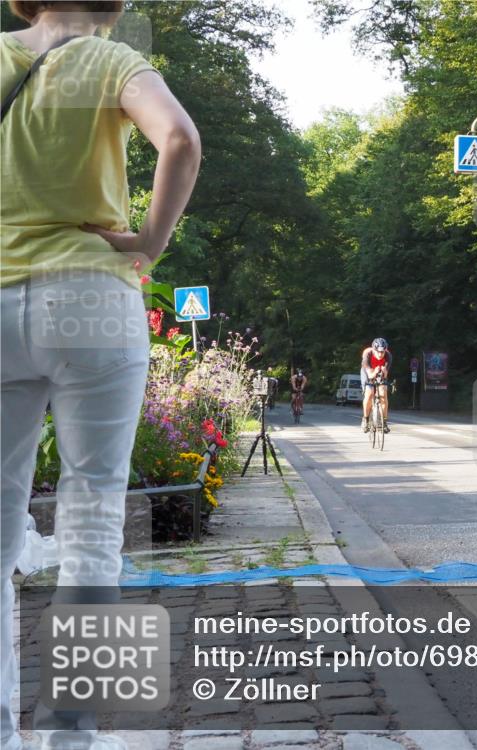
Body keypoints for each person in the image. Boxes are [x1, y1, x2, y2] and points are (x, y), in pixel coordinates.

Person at [1, 2, 200, 749]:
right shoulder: (108, 59)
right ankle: (72, 738)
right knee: (93, 521)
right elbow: (179, 139)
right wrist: (148, 239)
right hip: (89, 298)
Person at [361, 338, 392, 433]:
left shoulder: (388, 356)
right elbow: (370, 375)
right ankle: (365, 419)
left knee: (383, 393)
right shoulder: (367, 354)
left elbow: (385, 374)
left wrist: (383, 371)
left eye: (382, 352)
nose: (380, 354)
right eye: (378, 352)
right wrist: (374, 371)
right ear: (373, 350)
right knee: (369, 393)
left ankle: (384, 421)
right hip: (368, 371)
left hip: (380, 371)